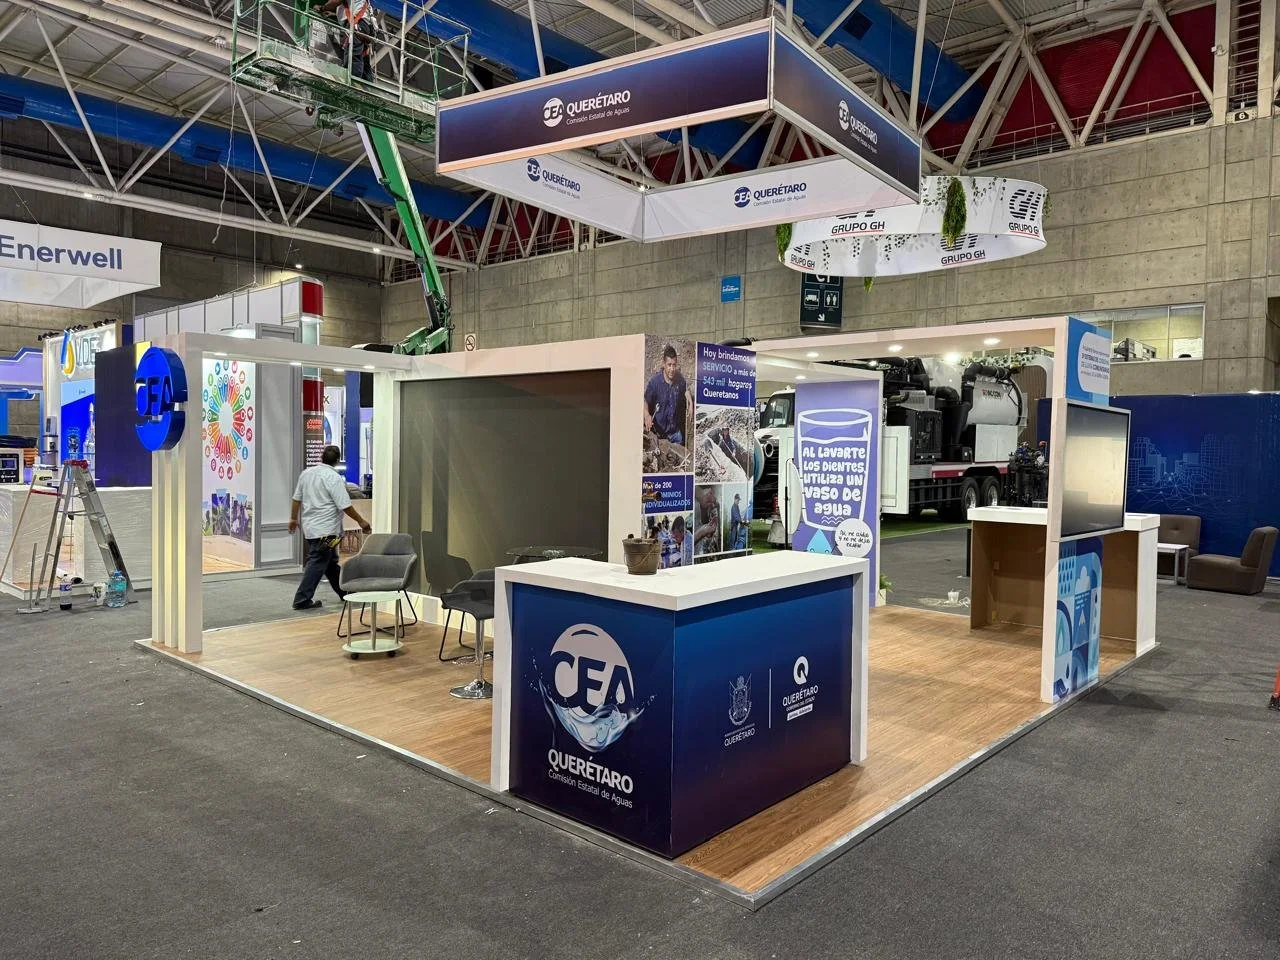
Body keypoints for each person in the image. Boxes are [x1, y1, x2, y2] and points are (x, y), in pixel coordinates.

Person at [289, 445, 371, 611]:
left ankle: (344, 592)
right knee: (318, 561)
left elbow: (296, 499)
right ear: (337, 460)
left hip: (311, 529)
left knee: (330, 562)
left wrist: (293, 518)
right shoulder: (334, 478)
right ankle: (302, 599)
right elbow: (345, 505)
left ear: (322, 457)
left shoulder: (306, 474)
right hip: (327, 530)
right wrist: (361, 521)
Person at [644, 344, 688, 444]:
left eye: (674, 365)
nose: (672, 369)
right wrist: (646, 415)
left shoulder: (679, 379)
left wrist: (689, 399)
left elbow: (685, 388)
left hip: (675, 434)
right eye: (669, 365)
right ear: (663, 364)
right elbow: (645, 401)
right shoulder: (654, 383)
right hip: (660, 435)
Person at [323, 0, 375, 81]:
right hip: (363, 26)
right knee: (361, 56)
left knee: (352, 55)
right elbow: (354, 8)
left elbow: (335, 1)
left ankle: (352, 80)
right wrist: (334, 14)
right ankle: (365, 82)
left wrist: (323, 8)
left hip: (358, 24)